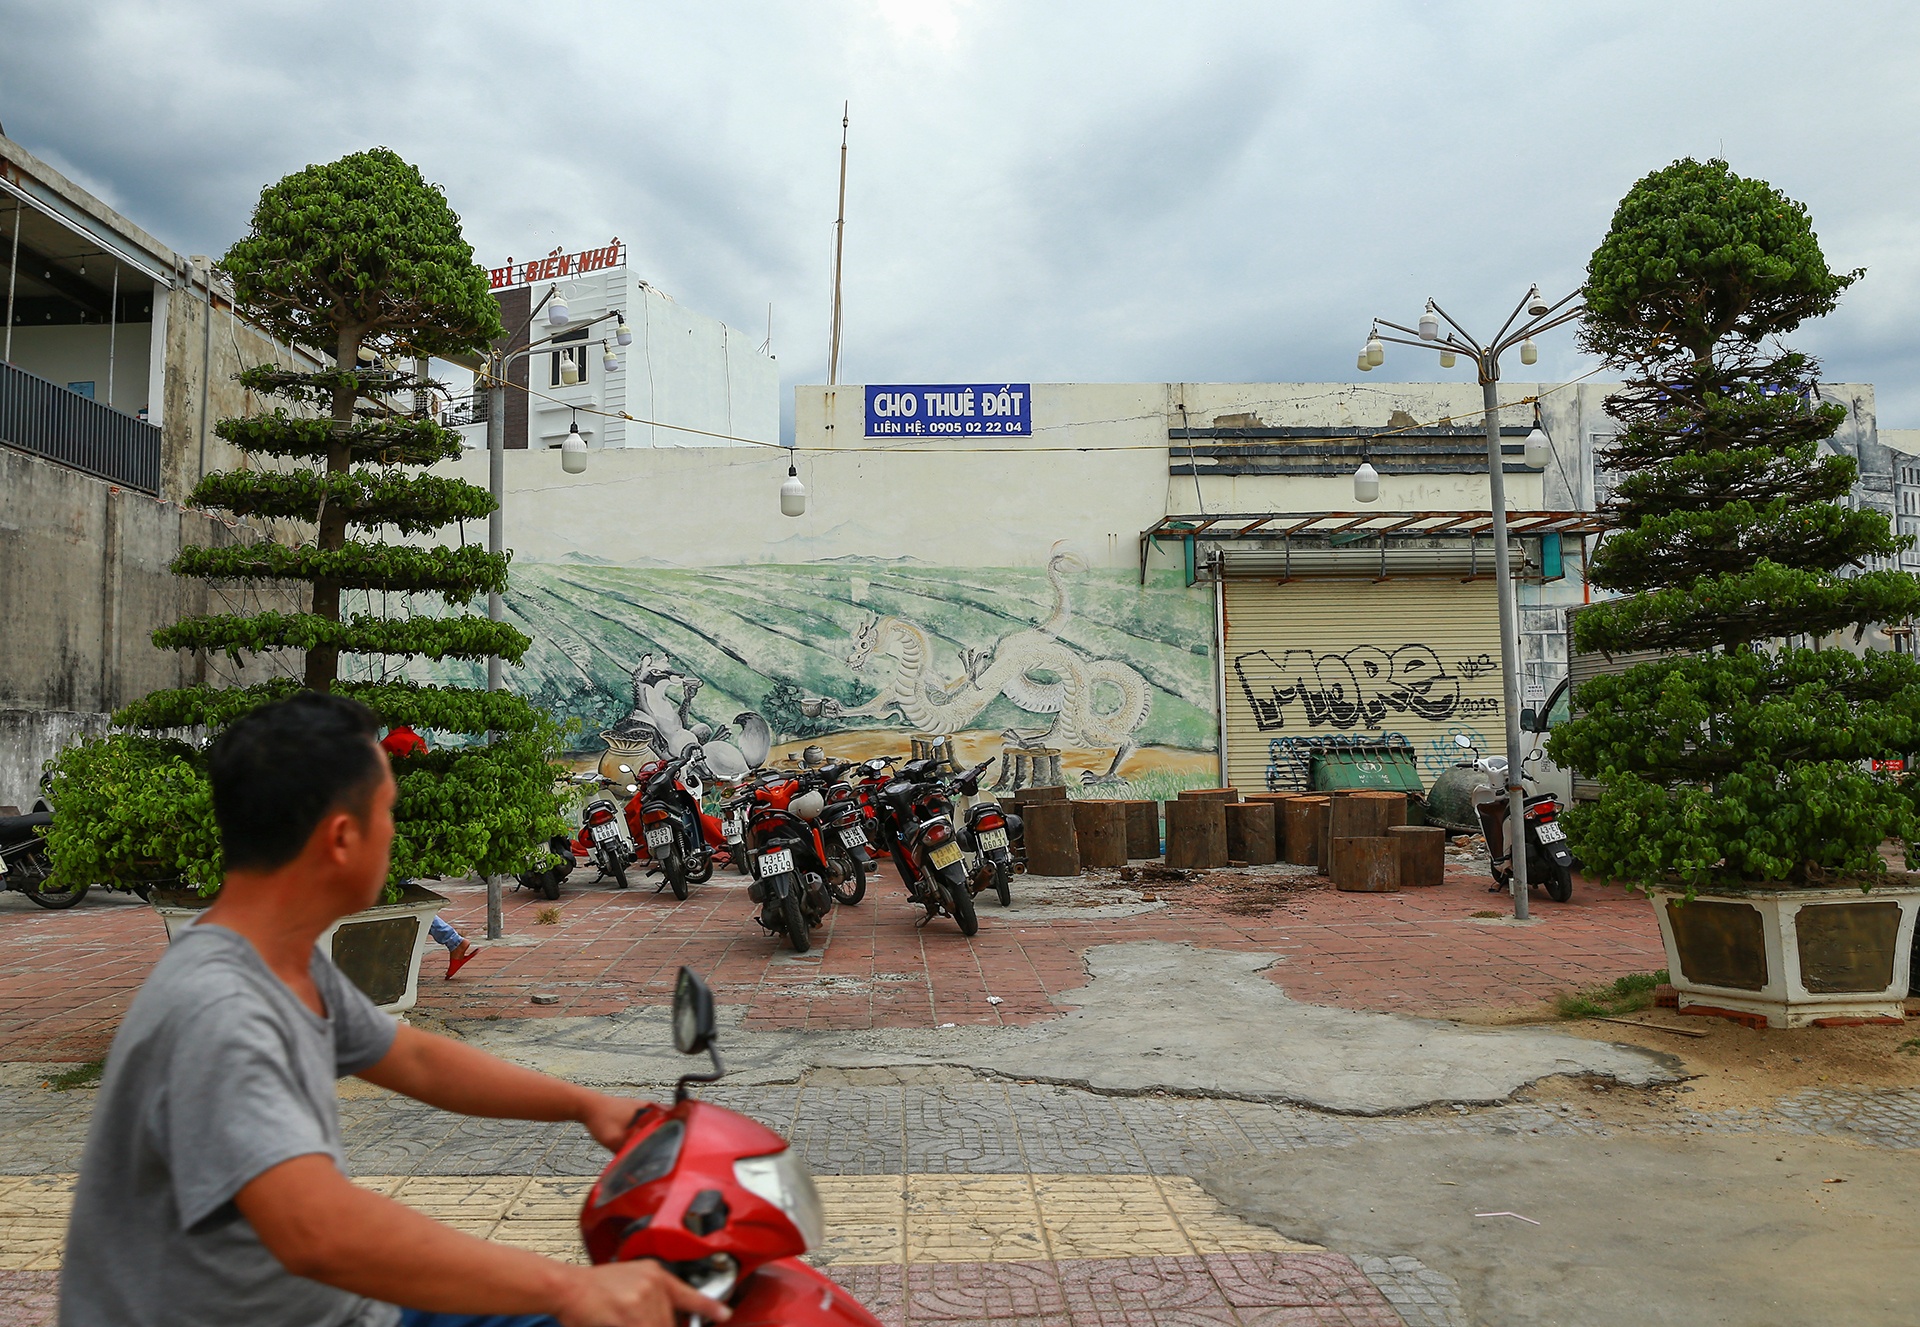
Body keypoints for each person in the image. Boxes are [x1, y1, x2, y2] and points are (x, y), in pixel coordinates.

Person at [58, 693, 727, 1327]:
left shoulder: (283, 957)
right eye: (388, 809)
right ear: (343, 837)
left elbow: (413, 1055)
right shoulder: (222, 1007)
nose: (394, 828)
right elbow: (317, 1230)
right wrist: (572, 1285)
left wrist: (588, 1106)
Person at [380, 723, 478, 977]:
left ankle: (452, 942)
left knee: (394, 895)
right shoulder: (417, 741)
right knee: (399, 895)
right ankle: (451, 942)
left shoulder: (389, 743)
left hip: (392, 830)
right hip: (413, 830)